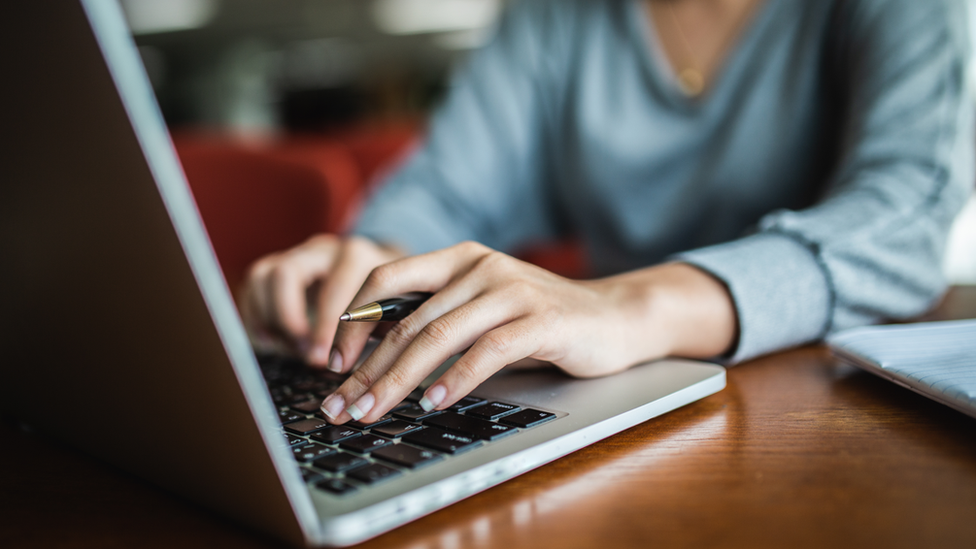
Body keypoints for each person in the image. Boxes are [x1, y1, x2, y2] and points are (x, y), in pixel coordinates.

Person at [242, 0, 974, 425]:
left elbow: (902, 219)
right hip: (603, 404)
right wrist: (375, 258)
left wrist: (626, 306)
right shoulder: (557, 16)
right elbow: (447, 187)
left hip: (823, 410)